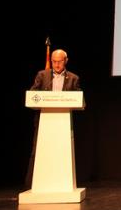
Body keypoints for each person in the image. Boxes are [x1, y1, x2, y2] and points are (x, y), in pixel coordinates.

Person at [26, 49, 81, 188]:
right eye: (54, 61)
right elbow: (33, 94)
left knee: (61, 153)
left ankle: (61, 184)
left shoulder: (74, 78)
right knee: (37, 151)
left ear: (66, 61)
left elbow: (79, 99)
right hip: (44, 120)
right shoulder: (42, 75)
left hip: (63, 121)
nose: (57, 65)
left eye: (60, 61)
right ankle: (31, 185)